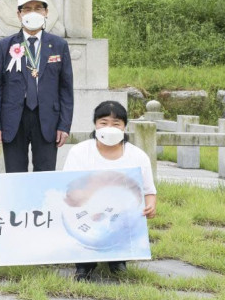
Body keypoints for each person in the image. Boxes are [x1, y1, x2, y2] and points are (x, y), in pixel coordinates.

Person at [63, 100, 157, 280]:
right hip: (87, 209)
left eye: (116, 124)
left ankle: (118, 259)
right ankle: (84, 264)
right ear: (95, 125)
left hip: (121, 213)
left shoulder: (137, 155)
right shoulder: (79, 152)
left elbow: (148, 190)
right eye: (104, 123)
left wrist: (151, 205)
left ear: (124, 127)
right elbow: (69, 187)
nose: (109, 128)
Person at [0, 0, 73, 173]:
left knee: (45, 174)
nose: (33, 12)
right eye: (27, 8)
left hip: (47, 119)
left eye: (38, 8)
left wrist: (64, 125)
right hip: (13, 119)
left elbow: (66, 90)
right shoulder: (5, 46)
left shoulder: (59, 45)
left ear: (46, 12)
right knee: (15, 174)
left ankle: (42, 204)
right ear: (19, 14)